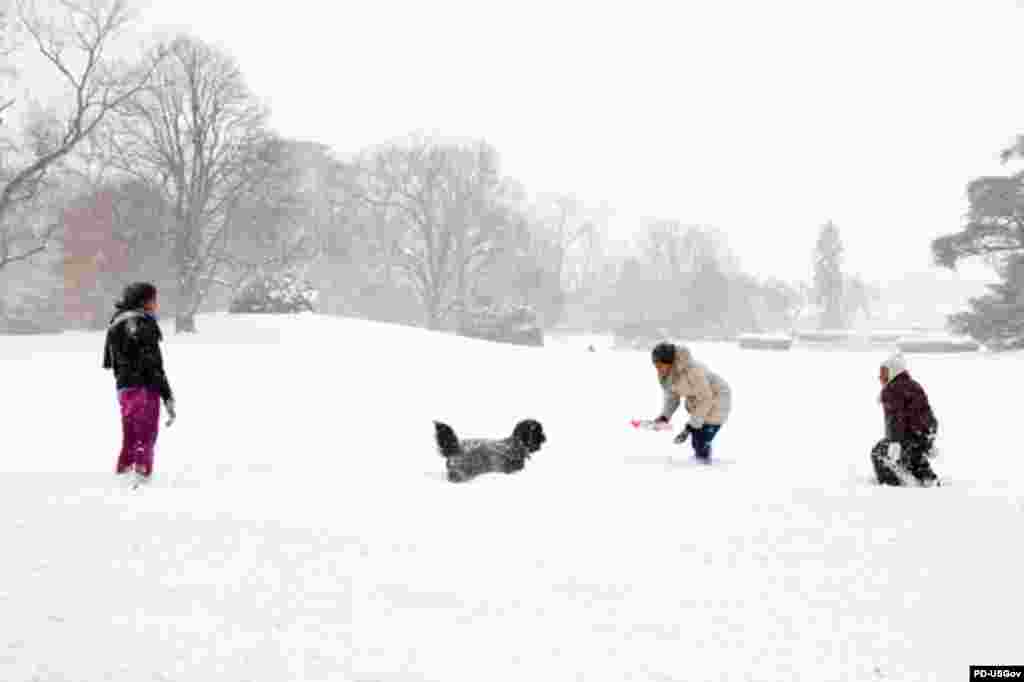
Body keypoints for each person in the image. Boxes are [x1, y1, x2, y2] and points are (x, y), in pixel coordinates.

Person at [102, 282, 176, 485]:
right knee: (146, 436)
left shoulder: (116, 322)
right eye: (153, 299)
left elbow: (109, 362)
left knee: (130, 435)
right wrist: (167, 395)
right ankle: (141, 479)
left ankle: (123, 473)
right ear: (144, 301)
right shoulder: (143, 323)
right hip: (145, 386)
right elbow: (153, 364)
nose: (156, 303)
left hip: (124, 388)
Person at [651, 342, 732, 462]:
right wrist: (665, 416)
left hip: (718, 399)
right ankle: (701, 460)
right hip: (699, 402)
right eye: (655, 365)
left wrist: (690, 426)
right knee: (697, 438)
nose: (657, 369)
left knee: (701, 439)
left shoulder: (692, 371)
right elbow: (672, 397)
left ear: (669, 362)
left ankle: (705, 466)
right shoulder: (665, 375)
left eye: (660, 365)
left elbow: (706, 398)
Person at [871, 353, 940, 487]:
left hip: (910, 435)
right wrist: (929, 440)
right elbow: (924, 413)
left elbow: (895, 418)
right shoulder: (913, 385)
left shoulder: (891, 390)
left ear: (894, 372)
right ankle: (927, 479)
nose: (881, 377)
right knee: (915, 456)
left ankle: (893, 486)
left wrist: (895, 442)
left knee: (878, 453)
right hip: (925, 432)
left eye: (884, 373)